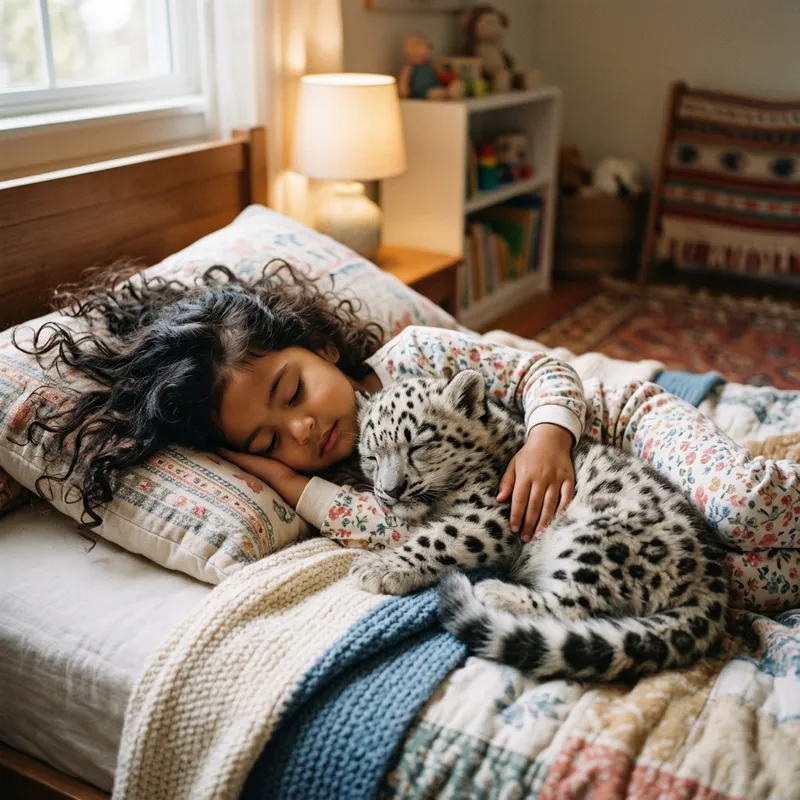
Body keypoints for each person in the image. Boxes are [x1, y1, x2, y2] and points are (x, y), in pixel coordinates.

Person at [18, 262, 799, 612]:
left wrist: (548, 440)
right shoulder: (360, 477)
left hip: (619, 427)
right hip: (613, 519)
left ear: (320, 348)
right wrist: (291, 485)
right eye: (267, 440)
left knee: (740, 510)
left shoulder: (414, 358)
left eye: (292, 391)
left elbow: (542, 372)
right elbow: (385, 530)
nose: (302, 428)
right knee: (736, 587)